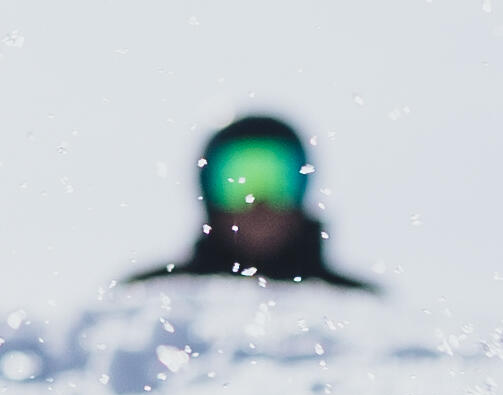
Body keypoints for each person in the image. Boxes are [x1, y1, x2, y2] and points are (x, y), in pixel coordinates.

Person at [123, 111, 372, 291]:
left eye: (278, 181)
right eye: (237, 182)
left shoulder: (357, 307)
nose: (258, 202)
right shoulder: (153, 298)